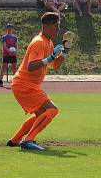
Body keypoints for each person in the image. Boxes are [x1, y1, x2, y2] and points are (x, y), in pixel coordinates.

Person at [7, 12, 68, 150]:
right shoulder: (39, 42)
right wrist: (50, 57)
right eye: (55, 26)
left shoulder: (48, 42)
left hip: (25, 85)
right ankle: (28, 140)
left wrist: (64, 52)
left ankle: (15, 139)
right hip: (25, 85)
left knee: (41, 114)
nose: (57, 29)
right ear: (45, 26)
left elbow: (55, 65)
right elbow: (31, 66)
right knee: (52, 110)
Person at [0, 23, 18, 88]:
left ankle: (15, 82)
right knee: (4, 67)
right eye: (8, 27)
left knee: (14, 68)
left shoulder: (14, 37)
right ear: (7, 28)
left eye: (10, 27)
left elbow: (16, 45)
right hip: (6, 54)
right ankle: (1, 81)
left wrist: (15, 51)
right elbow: (4, 46)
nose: (9, 28)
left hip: (13, 55)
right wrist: (8, 51)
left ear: (12, 28)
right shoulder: (4, 37)